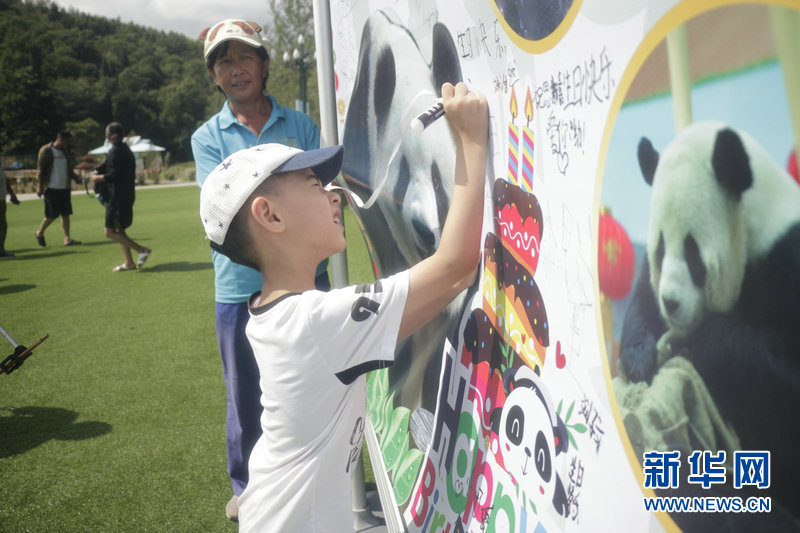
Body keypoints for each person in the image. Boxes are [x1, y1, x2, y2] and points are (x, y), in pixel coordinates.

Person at [198, 82, 488, 531]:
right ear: (269, 216)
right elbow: (456, 268)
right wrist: (471, 139)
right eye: (315, 185)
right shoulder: (317, 322)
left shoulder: (274, 310)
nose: (334, 194)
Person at [190, 18, 323, 521]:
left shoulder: (302, 124)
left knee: (314, 382)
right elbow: (223, 210)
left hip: (308, 277)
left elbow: (314, 194)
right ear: (214, 76)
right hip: (239, 285)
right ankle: (248, 486)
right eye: (224, 60)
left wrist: (269, 203)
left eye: (245, 56)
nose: (235, 68)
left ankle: (315, 470)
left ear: (265, 66)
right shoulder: (206, 137)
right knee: (246, 394)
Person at [91, 122, 151, 272]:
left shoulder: (115, 151)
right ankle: (129, 262)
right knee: (119, 230)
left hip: (116, 197)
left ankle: (142, 250)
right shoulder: (126, 150)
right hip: (126, 195)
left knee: (109, 231)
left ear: (108, 137)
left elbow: (113, 175)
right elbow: (109, 167)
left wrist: (96, 178)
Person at [34, 129, 82, 247]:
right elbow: (41, 169)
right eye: (67, 141)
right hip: (51, 188)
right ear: (60, 139)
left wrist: (76, 178)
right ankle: (39, 233)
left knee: (65, 214)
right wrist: (39, 186)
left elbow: (69, 169)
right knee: (51, 215)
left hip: (64, 188)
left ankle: (67, 239)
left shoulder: (65, 152)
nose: (68, 144)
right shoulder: (46, 151)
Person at [1, 159, 20, 258]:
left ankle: (1, 250)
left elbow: (3, 178)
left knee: (2, 225)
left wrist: (11, 193)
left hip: (1, 197)